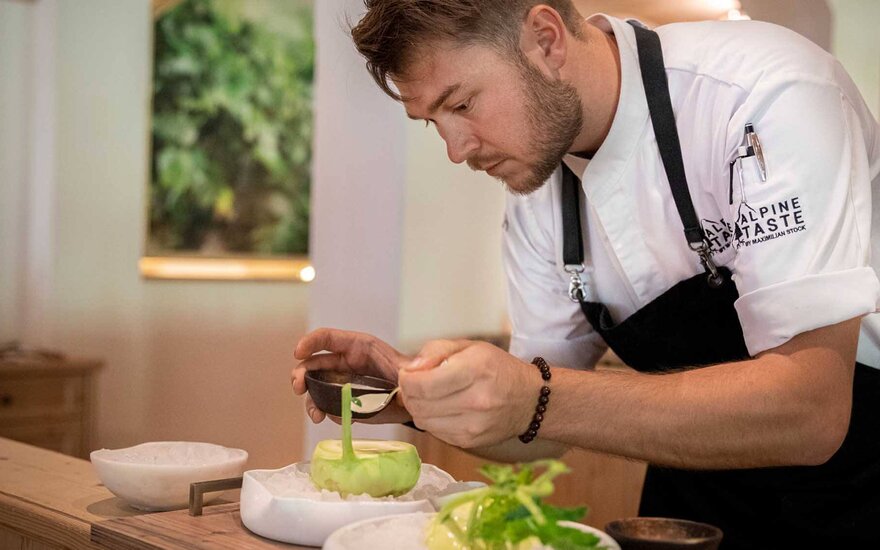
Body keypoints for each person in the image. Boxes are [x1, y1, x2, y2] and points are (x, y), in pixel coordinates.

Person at [291, 1, 880, 546]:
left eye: (462, 103)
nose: (454, 149)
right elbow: (539, 428)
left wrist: (535, 396)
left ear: (545, 39)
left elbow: (813, 412)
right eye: (432, 121)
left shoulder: (763, 95)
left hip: (859, 489)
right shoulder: (535, 193)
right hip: (691, 506)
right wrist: (410, 391)